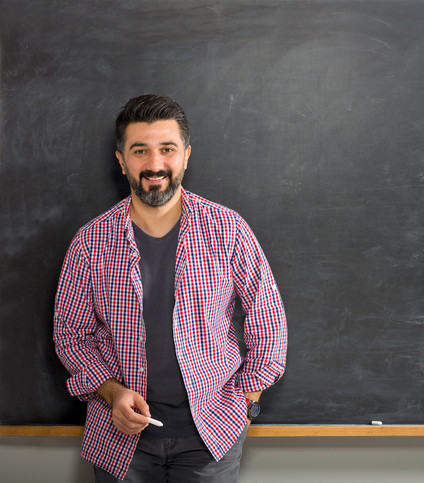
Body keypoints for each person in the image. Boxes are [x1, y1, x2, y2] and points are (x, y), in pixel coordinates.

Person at [53, 94, 287, 482]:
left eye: (167, 149)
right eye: (140, 150)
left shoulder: (228, 230)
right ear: (121, 159)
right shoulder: (90, 242)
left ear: (186, 154)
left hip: (213, 436)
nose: (154, 164)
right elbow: (71, 336)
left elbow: (270, 323)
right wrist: (112, 393)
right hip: (119, 440)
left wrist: (244, 402)